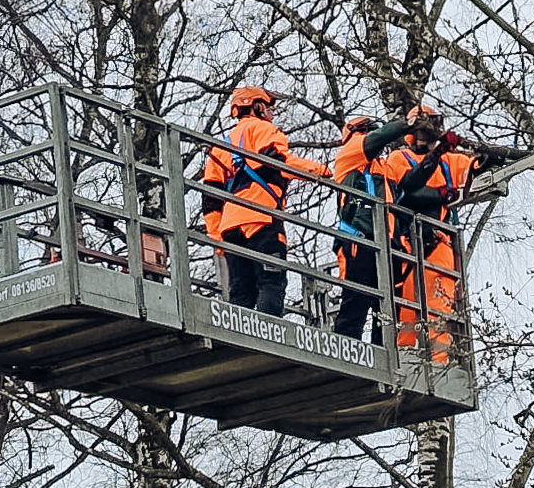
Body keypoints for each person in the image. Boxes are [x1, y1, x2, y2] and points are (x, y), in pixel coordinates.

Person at [201, 86, 330, 316]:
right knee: (272, 281)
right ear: (256, 106)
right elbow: (278, 162)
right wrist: (319, 171)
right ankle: (272, 337)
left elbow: (211, 197)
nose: (272, 112)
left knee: (241, 291)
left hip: (230, 227)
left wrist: (217, 238)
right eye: (269, 106)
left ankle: (238, 339)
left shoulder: (220, 146)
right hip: (261, 218)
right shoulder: (263, 129)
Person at [378, 104, 486, 362]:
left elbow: (474, 167)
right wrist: (437, 165)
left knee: (438, 305)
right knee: (406, 308)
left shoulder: (449, 161)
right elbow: (406, 191)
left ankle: (438, 362)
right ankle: (404, 359)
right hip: (405, 242)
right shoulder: (398, 159)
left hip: (437, 242)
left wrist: (486, 157)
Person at [330, 113, 408, 340]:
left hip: (386, 244)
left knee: (386, 310)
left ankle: (383, 354)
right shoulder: (350, 154)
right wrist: (407, 123)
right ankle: (345, 351)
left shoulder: (384, 168)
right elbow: (380, 137)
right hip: (359, 239)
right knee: (355, 301)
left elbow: (410, 184)